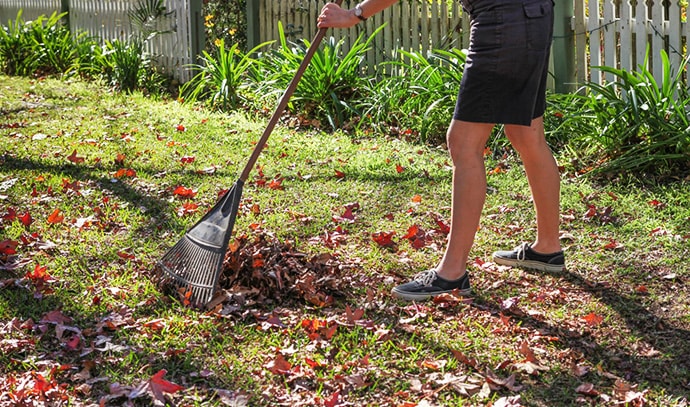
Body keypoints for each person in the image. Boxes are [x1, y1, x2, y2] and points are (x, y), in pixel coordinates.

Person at [317, 0, 565, 301]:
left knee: (464, 141)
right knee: (526, 134)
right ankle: (548, 248)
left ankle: (452, 274)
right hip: (532, 14)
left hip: (503, 20)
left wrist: (356, 14)